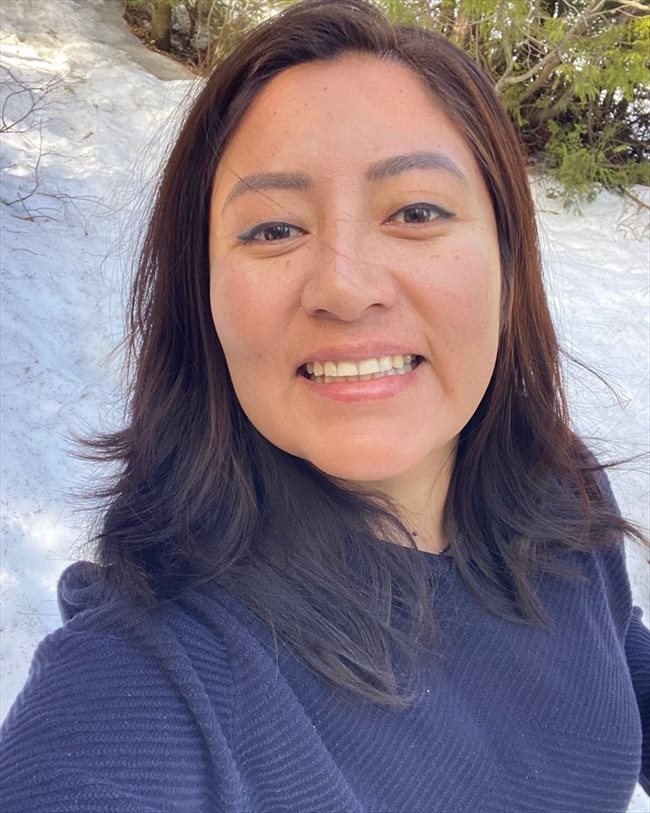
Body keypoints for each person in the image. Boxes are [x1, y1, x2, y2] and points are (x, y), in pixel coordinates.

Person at [1, 1, 648, 810]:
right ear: (204, 298)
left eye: (416, 212)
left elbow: (608, 646)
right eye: (273, 229)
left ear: (508, 261)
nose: (344, 286)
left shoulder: (557, 486)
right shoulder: (154, 679)